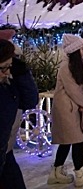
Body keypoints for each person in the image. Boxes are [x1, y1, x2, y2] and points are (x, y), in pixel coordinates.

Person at [48, 34, 83, 187]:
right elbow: (74, 90)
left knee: (68, 142)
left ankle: (56, 172)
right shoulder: (66, 67)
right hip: (67, 110)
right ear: (75, 50)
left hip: (72, 108)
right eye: (82, 48)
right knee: (77, 140)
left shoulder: (78, 65)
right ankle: (80, 174)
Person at [0, 37, 38, 189]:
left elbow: (29, 100)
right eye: (3, 68)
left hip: (5, 154)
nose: (7, 73)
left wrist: (21, 72)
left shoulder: (7, 87)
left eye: (9, 67)